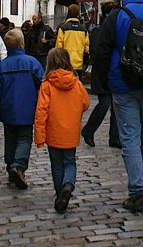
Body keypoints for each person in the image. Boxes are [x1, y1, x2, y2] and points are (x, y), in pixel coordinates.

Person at [91, 0, 143, 213]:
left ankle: (137, 190)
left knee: (130, 137)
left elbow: (101, 51)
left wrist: (104, 82)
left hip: (122, 83)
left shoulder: (117, 15)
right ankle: (142, 181)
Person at [34, 48, 90, 213]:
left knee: (57, 164)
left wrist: (39, 136)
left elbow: (41, 111)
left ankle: (60, 193)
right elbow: (85, 103)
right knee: (70, 162)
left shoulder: (47, 85)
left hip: (54, 132)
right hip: (70, 132)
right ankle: (68, 185)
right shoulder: (76, 83)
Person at [0, 28, 44, 190]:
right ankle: (18, 165)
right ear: (22, 44)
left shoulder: (3, 65)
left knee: (10, 138)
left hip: (8, 109)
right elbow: (42, 84)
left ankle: (10, 166)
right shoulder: (32, 62)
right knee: (24, 139)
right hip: (27, 108)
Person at [82, 10, 121, 149]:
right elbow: (96, 52)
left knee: (115, 105)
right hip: (103, 73)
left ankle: (114, 137)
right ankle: (88, 131)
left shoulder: (109, 29)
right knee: (105, 103)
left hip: (110, 72)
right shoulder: (100, 31)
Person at [56, 4, 90, 73]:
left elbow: (59, 47)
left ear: (68, 13)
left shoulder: (63, 28)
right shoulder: (83, 29)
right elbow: (86, 48)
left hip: (66, 63)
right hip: (79, 63)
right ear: (78, 14)